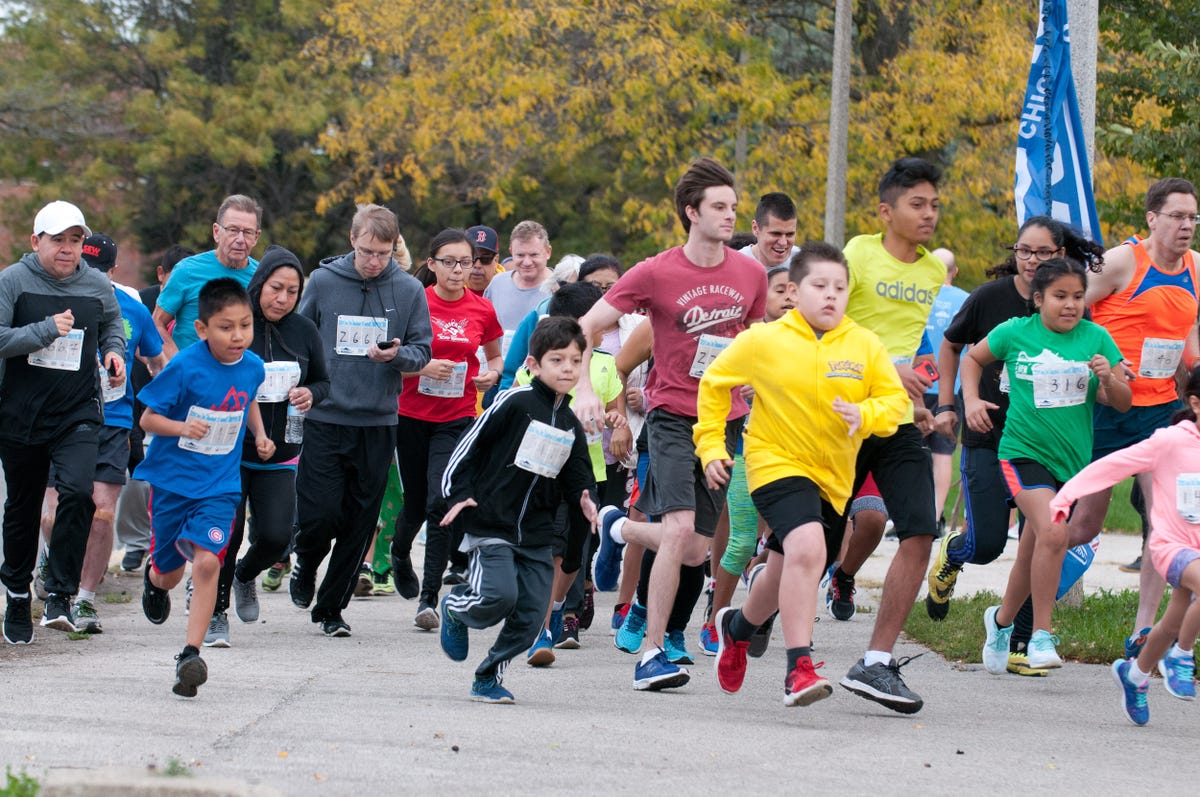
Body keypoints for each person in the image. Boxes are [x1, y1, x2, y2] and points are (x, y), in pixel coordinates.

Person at [576, 157, 767, 691]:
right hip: (670, 416)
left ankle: (620, 528)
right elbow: (587, 326)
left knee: (696, 549)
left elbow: (756, 340)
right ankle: (651, 654)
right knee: (680, 529)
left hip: (724, 420)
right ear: (691, 212)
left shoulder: (749, 273)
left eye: (734, 207)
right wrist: (588, 387)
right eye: (720, 207)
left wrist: (755, 379)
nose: (732, 216)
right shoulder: (656, 271)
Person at [698, 242, 908, 707]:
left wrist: (865, 412)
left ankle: (737, 627)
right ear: (794, 291)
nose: (831, 295)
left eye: (840, 287)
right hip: (775, 464)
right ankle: (799, 667)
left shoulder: (864, 344)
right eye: (820, 286)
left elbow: (896, 404)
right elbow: (715, 383)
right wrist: (712, 445)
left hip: (834, 479)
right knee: (809, 548)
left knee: (793, 564)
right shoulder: (763, 340)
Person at [926, 218, 1105, 677]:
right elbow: (954, 349)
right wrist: (957, 402)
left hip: (1058, 448)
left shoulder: (1074, 315)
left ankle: (1021, 639)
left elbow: (1108, 385)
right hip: (994, 437)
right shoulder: (990, 300)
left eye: (1042, 253)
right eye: (1024, 251)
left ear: (1060, 253)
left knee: (1040, 538)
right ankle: (956, 553)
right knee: (988, 544)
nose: (1031, 261)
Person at [823, 157, 944, 712]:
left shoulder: (932, 274)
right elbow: (830, 325)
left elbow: (913, 342)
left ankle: (876, 663)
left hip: (895, 420)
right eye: (917, 204)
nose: (929, 213)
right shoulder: (856, 253)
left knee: (920, 529)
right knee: (811, 540)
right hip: (842, 415)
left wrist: (917, 393)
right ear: (886, 210)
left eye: (935, 204)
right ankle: (749, 616)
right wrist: (884, 367)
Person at [972, 258, 1131, 674]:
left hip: (1073, 465)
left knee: (1035, 549)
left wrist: (1109, 379)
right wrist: (971, 400)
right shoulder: (1014, 333)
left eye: (1078, 296)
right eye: (1060, 296)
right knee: (1055, 532)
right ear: (1038, 299)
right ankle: (1041, 635)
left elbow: (1123, 401)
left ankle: (1001, 621)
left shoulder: (1095, 338)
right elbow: (973, 359)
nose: (1071, 305)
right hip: (1022, 454)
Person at [1064, 178, 1200, 661]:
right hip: (1106, 405)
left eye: (1193, 218)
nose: (1186, 226)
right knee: (1083, 525)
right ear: (1152, 218)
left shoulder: (1196, 268)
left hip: (1161, 411)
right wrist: (1100, 356)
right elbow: (1069, 306)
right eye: (1177, 216)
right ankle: (1027, 604)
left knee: (1164, 526)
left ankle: (1144, 630)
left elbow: (1187, 339)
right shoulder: (1122, 261)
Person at [438, 317, 598, 703]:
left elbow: (578, 474)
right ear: (533, 364)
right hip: (492, 521)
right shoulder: (514, 401)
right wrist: (457, 493)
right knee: (498, 596)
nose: (567, 369)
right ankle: (456, 608)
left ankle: (488, 676)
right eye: (557, 360)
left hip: (537, 534)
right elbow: (469, 446)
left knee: (529, 616)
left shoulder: (570, 423)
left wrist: (586, 499)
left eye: (575, 361)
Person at [290, 204, 432, 637]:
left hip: (378, 421)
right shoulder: (324, 281)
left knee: (359, 521)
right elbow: (301, 336)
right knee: (319, 517)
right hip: (326, 415)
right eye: (368, 251)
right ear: (353, 240)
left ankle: (332, 610)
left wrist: (397, 355)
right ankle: (305, 563)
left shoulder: (408, 291)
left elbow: (422, 350)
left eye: (384, 254)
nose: (374, 261)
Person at [135, 278, 272, 696]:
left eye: (245, 326)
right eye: (226, 327)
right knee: (169, 575)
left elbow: (246, 398)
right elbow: (148, 420)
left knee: (209, 562)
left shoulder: (253, 365)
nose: (238, 336)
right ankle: (152, 579)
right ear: (202, 329)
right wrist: (181, 427)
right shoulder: (185, 367)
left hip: (220, 485)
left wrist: (261, 435)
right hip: (174, 484)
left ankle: (190, 655)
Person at [0, 202, 125, 644]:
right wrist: (45, 329)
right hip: (20, 413)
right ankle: (17, 593)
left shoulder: (95, 285)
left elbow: (113, 324)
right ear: (36, 242)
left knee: (77, 491)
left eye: (75, 240)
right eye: (58, 240)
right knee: (23, 505)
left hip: (77, 411)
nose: (68, 248)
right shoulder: (13, 281)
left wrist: (114, 353)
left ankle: (60, 593)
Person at [1046, 366, 1200, 724]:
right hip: (1171, 546)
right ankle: (1180, 656)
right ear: (1195, 402)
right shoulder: (1169, 442)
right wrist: (1064, 499)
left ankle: (1136, 676)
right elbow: (1111, 466)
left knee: (1170, 622)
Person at [206, 245, 329, 647]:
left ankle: (244, 575)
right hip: (230, 451)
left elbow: (324, 381)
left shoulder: (304, 331)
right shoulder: (239, 325)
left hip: (282, 449)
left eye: (293, 291)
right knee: (228, 532)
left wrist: (311, 393)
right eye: (276, 288)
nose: (283, 298)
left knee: (277, 537)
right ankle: (215, 611)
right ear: (260, 285)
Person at [389, 229, 503, 628]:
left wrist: (491, 375)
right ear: (432, 263)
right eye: (449, 262)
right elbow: (393, 357)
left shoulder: (482, 310)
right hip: (410, 414)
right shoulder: (414, 302)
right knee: (417, 503)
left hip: (457, 417)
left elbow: (495, 357)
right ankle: (399, 552)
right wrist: (421, 367)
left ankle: (429, 598)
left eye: (466, 262)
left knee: (441, 502)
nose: (459, 270)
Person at [56, 233, 166, 633]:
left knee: (101, 514)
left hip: (115, 421)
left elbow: (156, 361)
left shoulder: (132, 308)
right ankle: (55, 570)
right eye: (87, 268)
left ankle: (84, 600)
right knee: (54, 513)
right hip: (63, 420)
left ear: (113, 271)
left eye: (101, 270)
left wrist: (166, 401)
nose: (94, 276)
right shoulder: (60, 300)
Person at [119, 245, 195, 572]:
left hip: (189, 402)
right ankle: (136, 542)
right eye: (174, 277)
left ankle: (174, 540)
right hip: (140, 394)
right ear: (161, 275)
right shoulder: (139, 302)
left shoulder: (202, 304)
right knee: (138, 475)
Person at [153, 195, 263, 358]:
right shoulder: (187, 270)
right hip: (191, 376)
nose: (240, 240)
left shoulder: (261, 275)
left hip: (240, 376)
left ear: (256, 237)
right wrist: (177, 363)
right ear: (217, 232)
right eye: (233, 230)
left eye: (247, 232)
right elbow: (156, 322)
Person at [922, 248, 969, 526]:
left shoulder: (918, 297)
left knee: (913, 454)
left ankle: (906, 516)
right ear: (955, 272)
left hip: (916, 384)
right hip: (951, 390)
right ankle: (934, 515)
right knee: (943, 455)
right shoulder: (966, 301)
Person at [483, 221, 554, 346]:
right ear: (511, 252)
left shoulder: (560, 289)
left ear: (548, 252)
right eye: (520, 255)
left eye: (533, 255)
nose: (527, 262)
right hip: (501, 365)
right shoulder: (497, 284)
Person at [739, 193, 801, 268]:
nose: (783, 243)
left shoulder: (803, 263)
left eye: (790, 234)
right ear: (755, 228)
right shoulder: (736, 265)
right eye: (776, 234)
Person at [466, 225, 502, 296]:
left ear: (496, 260)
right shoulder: (447, 292)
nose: (477, 265)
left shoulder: (509, 290)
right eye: (471, 258)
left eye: (485, 258)